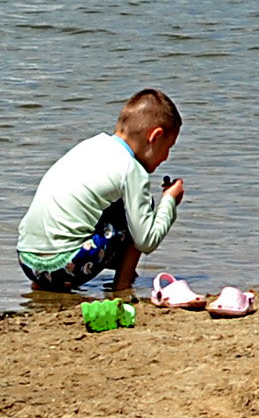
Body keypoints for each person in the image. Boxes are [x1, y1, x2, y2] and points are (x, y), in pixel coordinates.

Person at [14, 89, 185, 295]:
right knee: (141, 206)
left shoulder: (91, 145)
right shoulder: (132, 169)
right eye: (168, 147)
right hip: (65, 268)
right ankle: (122, 284)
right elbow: (146, 241)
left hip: (28, 262)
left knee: (106, 205)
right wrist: (169, 202)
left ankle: (41, 287)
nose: (166, 157)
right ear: (155, 137)